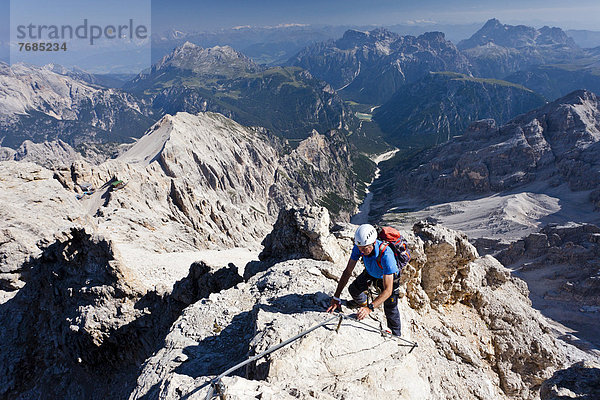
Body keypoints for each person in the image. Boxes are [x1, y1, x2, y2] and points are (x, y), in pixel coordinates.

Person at [326, 224, 401, 336]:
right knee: (354, 290)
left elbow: (388, 290)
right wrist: (336, 297)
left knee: (390, 309)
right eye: (359, 248)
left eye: (364, 249)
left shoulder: (386, 255)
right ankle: (362, 303)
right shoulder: (360, 247)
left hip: (387, 277)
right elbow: (348, 271)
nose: (361, 252)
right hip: (371, 272)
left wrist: (369, 308)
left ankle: (396, 335)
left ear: (374, 243)